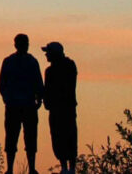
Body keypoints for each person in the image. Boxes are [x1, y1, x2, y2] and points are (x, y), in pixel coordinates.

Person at [0, 34, 44, 174]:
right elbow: (2, 84)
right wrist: (39, 99)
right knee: (18, 137)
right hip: (20, 105)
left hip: (23, 105)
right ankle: (17, 168)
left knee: (24, 138)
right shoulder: (28, 61)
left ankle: (22, 168)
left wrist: (38, 99)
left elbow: (2, 84)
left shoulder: (14, 61)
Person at [42, 42, 78, 174]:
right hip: (60, 109)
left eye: (48, 52)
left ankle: (70, 168)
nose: (46, 55)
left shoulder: (60, 69)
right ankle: (66, 167)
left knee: (66, 136)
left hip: (63, 109)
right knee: (60, 137)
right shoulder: (66, 66)